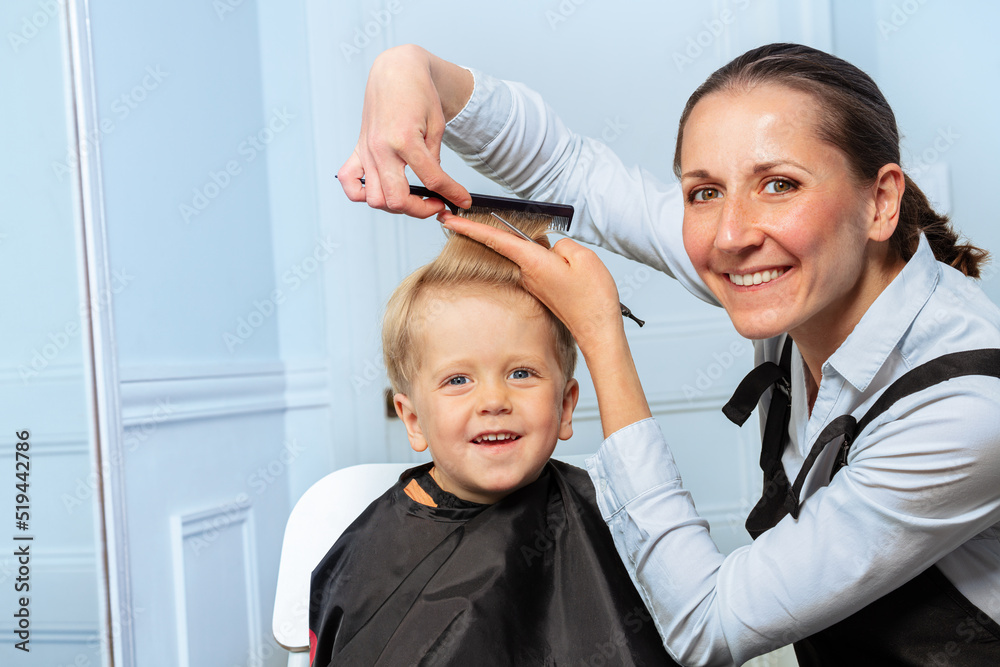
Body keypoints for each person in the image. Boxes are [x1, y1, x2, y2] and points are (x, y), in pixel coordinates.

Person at [338, 43, 1000, 665]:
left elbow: (706, 623)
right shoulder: (796, 275)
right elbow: (573, 171)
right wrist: (416, 68)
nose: (732, 235)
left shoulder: (968, 410)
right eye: (704, 192)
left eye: (780, 185)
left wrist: (601, 337)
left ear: (880, 200)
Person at [308, 210, 675, 666]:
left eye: (522, 373)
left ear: (565, 406)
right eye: (458, 380)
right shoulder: (370, 559)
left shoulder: (615, 513)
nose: (494, 400)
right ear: (414, 419)